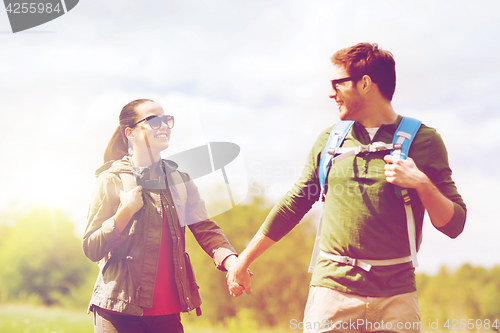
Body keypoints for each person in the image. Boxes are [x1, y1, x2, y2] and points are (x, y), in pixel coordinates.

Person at [226, 43, 466, 333]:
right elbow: (294, 204)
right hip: (332, 294)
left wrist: (421, 183)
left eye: (337, 84)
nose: (330, 93)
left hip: (396, 298)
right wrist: (243, 261)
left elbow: (454, 225)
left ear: (365, 83)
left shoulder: (424, 141)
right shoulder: (330, 140)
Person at [83, 99, 246, 333]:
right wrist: (123, 213)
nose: (164, 126)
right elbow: (91, 247)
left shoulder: (181, 181)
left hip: (168, 315)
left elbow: (206, 229)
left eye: (167, 120)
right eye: (153, 121)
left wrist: (231, 263)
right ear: (130, 133)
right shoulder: (112, 179)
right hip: (118, 311)